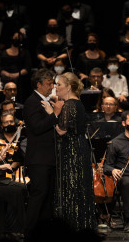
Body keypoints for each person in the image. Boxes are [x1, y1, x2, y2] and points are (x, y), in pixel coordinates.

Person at [41, 72, 97, 231]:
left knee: (72, 188)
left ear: (69, 87)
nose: (55, 87)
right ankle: (81, 225)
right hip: (79, 148)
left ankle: (72, 226)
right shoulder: (76, 103)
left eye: (59, 85)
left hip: (73, 151)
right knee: (78, 188)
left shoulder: (70, 104)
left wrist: (51, 112)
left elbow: (61, 130)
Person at [23, 68, 64, 238]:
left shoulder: (45, 101)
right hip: (38, 160)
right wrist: (55, 114)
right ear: (38, 84)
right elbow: (37, 128)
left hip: (49, 159)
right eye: (48, 84)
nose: (52, 87)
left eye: (53, 83)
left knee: (47, 198)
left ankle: (43, 234)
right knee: (38, 197)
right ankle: (29, 233)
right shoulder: (32, 102)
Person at [0, 118, 27, 240]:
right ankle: (9, 229)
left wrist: (3, 151)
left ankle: (14, 228)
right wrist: (1, 165)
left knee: (17, 191)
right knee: (13, 192)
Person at [0, 31, 32, 103]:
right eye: (15, 37)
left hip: (20, 77)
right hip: (6, 77)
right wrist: (8, 74)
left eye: (19, 38)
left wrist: (16, 74)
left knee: (22, 83)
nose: (17, 39)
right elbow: (0, 68)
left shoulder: (25, 52)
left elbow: (27, 67)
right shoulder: (4, 52)